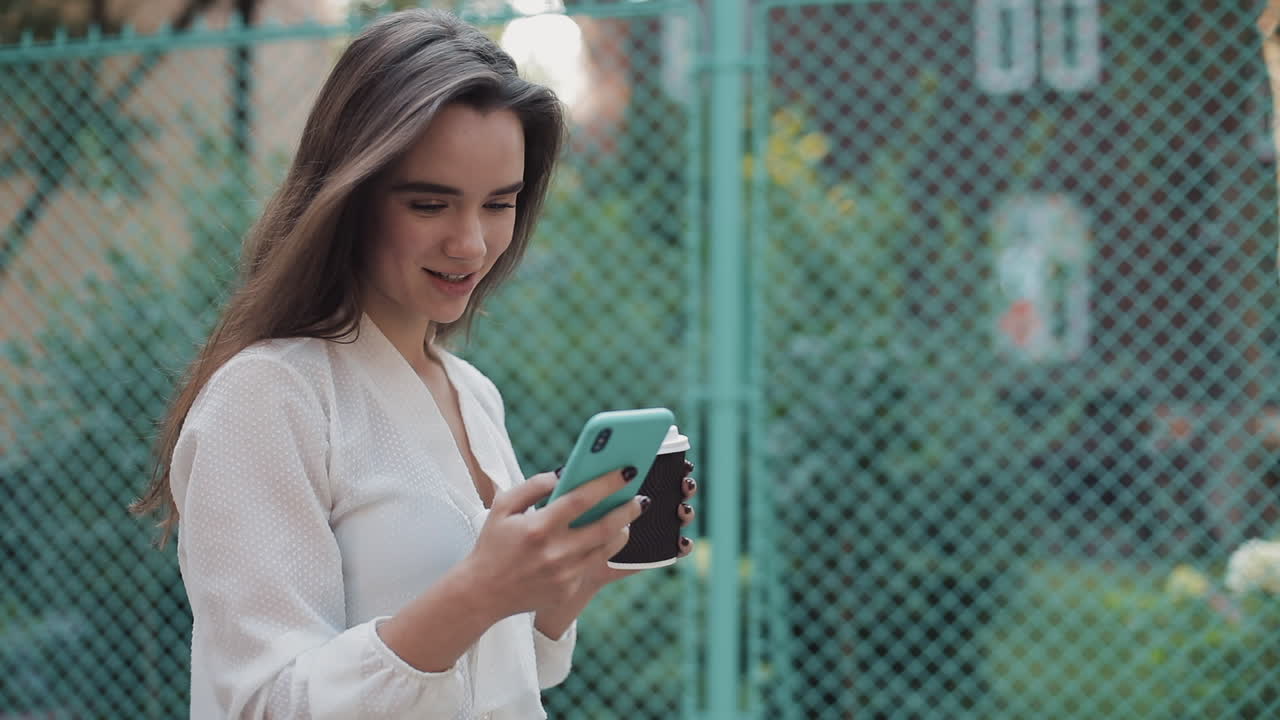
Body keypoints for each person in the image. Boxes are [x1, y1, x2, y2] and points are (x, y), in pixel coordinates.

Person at [129, 9, 697, 719]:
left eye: (500, 204)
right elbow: (264, 703)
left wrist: (567, 581)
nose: (470, 242)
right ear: (350, 195)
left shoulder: (472, 392)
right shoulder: (268, 397)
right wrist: (480, 589)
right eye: (430, 203)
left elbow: (508, 673)